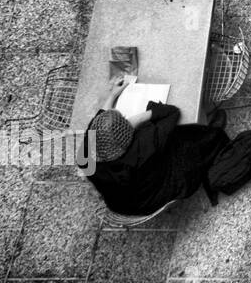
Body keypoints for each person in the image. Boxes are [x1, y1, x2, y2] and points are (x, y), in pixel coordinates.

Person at [81, 77, 229, 216]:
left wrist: (112, 96)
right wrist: (136, 119)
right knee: (181, 138)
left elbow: (98, 123)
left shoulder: (86, 155)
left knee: (166, 141)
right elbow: (171, 112)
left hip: (122, 205)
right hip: (154, 196)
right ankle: (212, 136)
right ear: (128, 135)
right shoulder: (145, 144)